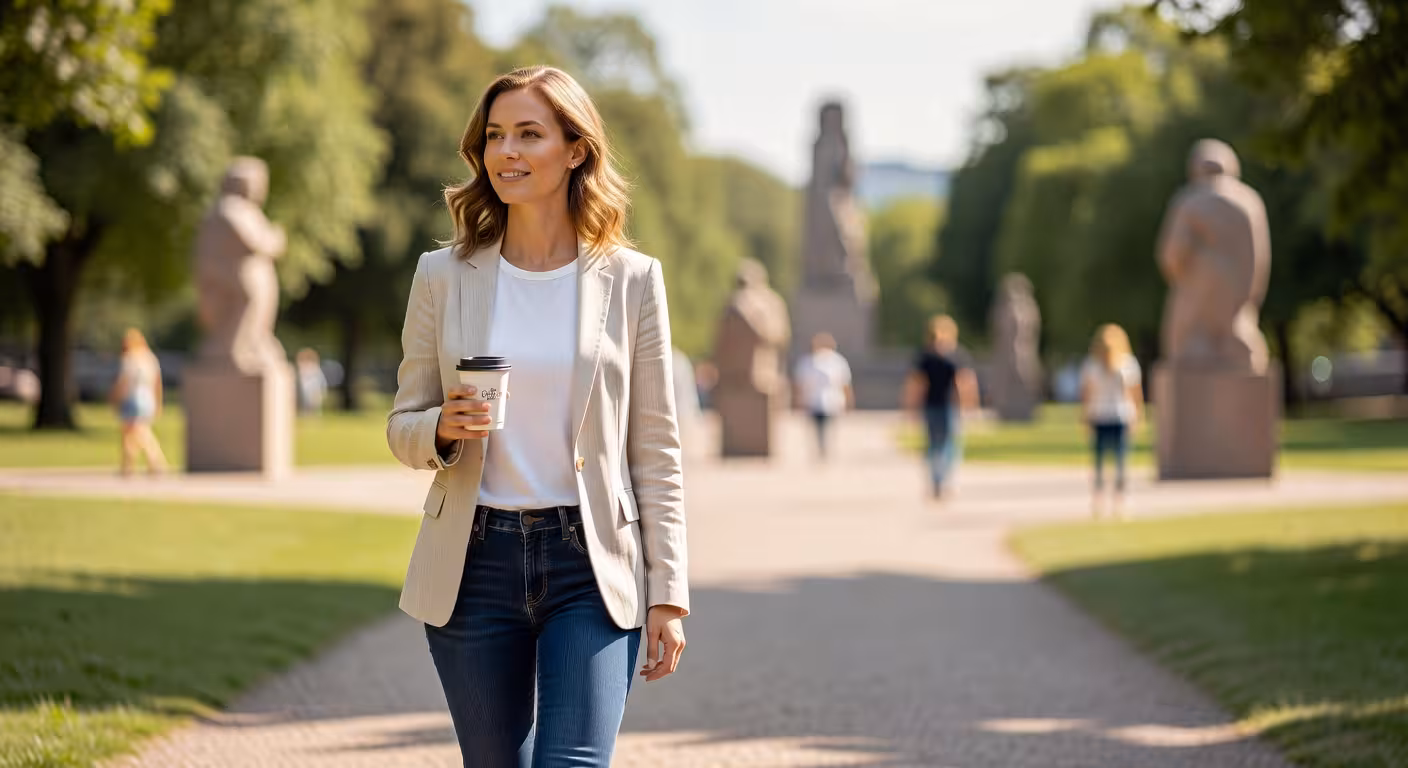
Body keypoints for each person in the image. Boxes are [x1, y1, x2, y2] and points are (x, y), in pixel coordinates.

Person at [386, 66, 688, 767]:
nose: (506, 152)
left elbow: (656, 449)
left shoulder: (634, 280)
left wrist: (668, 593)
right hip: (474, 562)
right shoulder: (442, 274)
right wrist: (439, 429)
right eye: (495, 135)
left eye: (529, 134)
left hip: (590, 560)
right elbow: (402, 422)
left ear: (575, 149)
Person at [903, 315, 978, 499]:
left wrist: (911, 407)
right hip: (948, 407)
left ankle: (936, 480)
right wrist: (969, 405)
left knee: (933, 445)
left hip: (931, 406)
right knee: (949, 445)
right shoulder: (956, 355)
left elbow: (916, 384)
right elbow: (964, 383)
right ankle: (945, 481)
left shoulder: (924, 356)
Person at [1081, 324, 1143, 517]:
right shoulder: (1122, 364)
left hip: (1106, 416)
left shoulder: (1098, 365)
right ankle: (1115, 499)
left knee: (1105, 462)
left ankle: (1104, 499)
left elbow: (1087, 394)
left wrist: (1085, 416)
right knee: (1117, 462)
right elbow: (1135, 394)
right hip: (1114, 416)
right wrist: (1138, 416)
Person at [108, 329, 169, 477]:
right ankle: (127, 466)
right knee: (132, 433)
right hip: (148, 399)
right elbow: (157, 383)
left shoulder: (129, 359)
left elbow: (123, 382)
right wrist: (158, 402)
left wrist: (114, 397)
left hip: (132, 399)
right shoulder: (150, 358)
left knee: (138, 431)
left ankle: (155, 462)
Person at [792, 332, 853, 461]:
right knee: (817, 427)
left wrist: (848, 400)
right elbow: (800, 384)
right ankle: (820, 449)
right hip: (813, 400)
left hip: (831, 401)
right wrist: (798, 399)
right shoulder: (807, 362)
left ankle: (825, 448)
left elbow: (844, 383)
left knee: (827, 426)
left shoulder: (837, 362)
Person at [294, 347, 328, 414]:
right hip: (304, 393)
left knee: (313, 406)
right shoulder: (301, 371)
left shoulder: (316, 370)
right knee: (305, 406)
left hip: (314, 392)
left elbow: (322, 382)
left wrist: (322, 392)